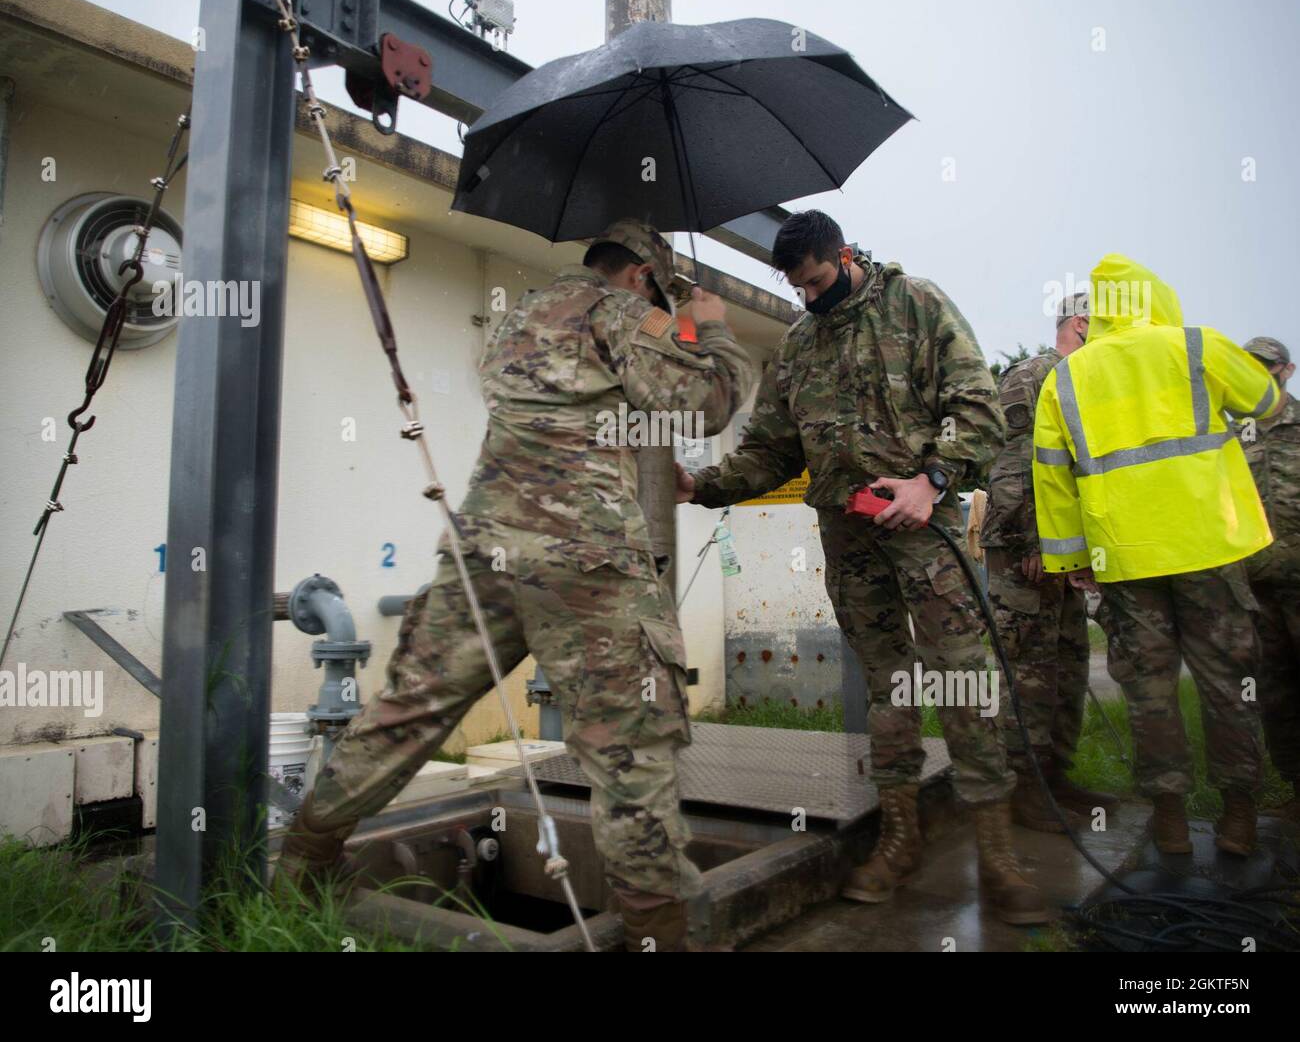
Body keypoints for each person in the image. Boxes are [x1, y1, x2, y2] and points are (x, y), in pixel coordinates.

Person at [273, 220, 755, 952]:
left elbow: (572, 411)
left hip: (483, 552)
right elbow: (708, 404)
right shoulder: (626, 311)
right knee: (630, 749)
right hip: (587, 562)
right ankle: (663, 935)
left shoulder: (516, 316)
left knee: (409, 709)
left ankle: (302, 866)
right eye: (656, 289)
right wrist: (712, 329)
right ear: (638, 276)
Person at [676, 209, 1049, 925]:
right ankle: (900, 839)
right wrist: (708, 486)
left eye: (816, 282)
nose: (809, 299)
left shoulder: (920, 304)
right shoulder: (797, 344)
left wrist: (929, 482)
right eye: (797, 291)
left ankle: (999, 856)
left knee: (964, 680)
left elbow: (978, 412)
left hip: (924, 534)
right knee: (888, 691)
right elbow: (772, 449)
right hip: (849, 543)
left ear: (842, 255)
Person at [1033, 255, 1281, 856]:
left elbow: (1053, 477)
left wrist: (1071, 562)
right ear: (1157, 298)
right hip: (1209, 549)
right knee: (1228, 683)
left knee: (1149, 690)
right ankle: (1239, 817)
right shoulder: (1197, 346)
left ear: (1097, 310)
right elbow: (1267, 402)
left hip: (1124, 559)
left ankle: (1169, 818)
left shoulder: (1064, 378)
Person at [981, 292, 1118, 832]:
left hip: (1064, 553)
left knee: (1067, 662)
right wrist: (1031, 541)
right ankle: (1022, 788)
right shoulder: (1036, 373)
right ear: (1081, 323)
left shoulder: (1083, 377)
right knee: (1028, 671)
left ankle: (1057, 777)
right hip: (1027, 547)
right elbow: (1014, 462)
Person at [1238, 337, 1300, 823]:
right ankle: (1295, 788)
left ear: (1287, 370)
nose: (1258, 373)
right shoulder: (1235, 435)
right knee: (1273, 691)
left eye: (1266, 366)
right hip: (1257, 589)